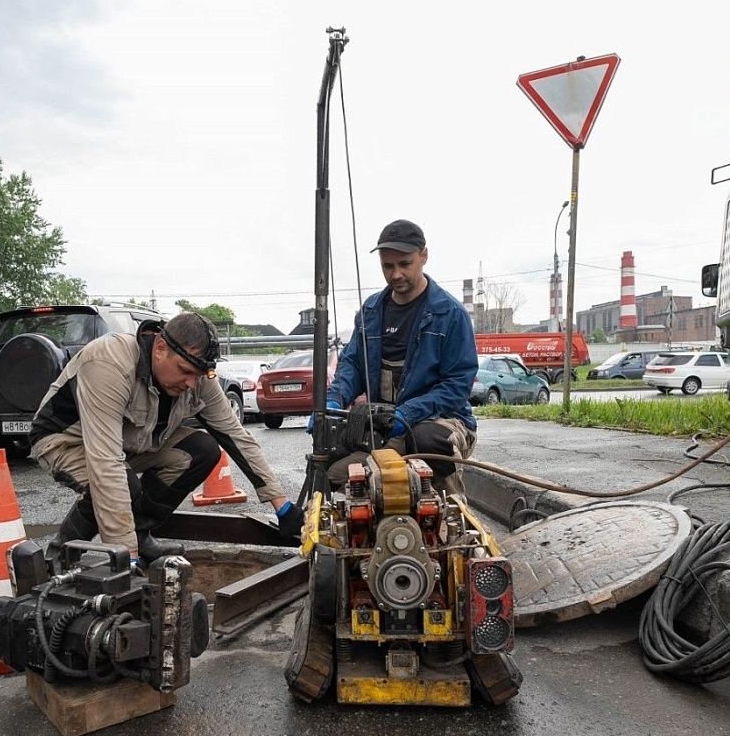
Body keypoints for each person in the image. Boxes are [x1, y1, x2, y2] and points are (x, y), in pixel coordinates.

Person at [30, 311, 305, 566]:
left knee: (202, 450)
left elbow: (236, 435)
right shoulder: (109, 362)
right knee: (121, 486)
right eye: (185, 371)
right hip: (65, 441)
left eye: (198, 376)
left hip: (133, 442)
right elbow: (106, 465)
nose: (191, 384)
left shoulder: (196, 375)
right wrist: (127, 559)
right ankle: (59, 556)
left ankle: (140, 534)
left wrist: (282, 506)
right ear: (160, 348)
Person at [322, 219, 478, 493]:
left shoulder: (450, 315)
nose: (395, 274)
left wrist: (407, 412)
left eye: (404, 264)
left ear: (423, 256)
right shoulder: (371, 312)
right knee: (331, 463)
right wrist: (334, 401)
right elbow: (352, 366)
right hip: (384, 424)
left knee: (427, 442)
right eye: (388, 266)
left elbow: (456, 388)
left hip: (441, 421)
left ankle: (451, 517)